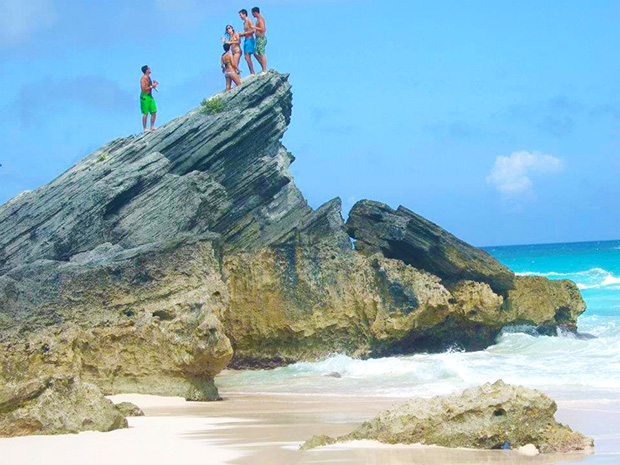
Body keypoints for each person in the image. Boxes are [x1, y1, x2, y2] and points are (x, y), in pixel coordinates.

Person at [238, 9, 258, 75]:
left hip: (250, 40)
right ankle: (251, 72)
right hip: (246, 40)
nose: (240, 17)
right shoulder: (244, 23)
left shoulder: (249, 21)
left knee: (248, 56)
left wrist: (244, 33)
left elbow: (253, 31)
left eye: (241, 15)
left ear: (244, 14)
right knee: (246, 57)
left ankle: (252, 72)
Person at [140, 65, 158, 132]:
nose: (150, 69)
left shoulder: (148, 77)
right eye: (149, 68)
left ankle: (152, 127)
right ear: (146, 70)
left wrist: (154, 84)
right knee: (145, 113)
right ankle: (145, 129)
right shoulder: (143, 78)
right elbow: (143, 88)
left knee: (154, 111)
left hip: (150, 96)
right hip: (144, 96)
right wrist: (151, 86)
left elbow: (150, 86)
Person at [251, 7, 267, 73]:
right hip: (258, 39)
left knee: (261, 53)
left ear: (255, 12)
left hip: (261, 38)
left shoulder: (260, 19)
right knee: (255, 53)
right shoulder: (258, 19)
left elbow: (263, 29)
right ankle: (263, 67)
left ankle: (264, 69)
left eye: (252, 13)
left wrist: (254, 27)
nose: (252, 15)